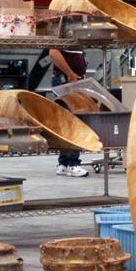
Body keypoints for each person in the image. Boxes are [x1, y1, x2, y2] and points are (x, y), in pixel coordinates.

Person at [49, 46, 88, 177]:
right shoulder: (64, 39)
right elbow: (53, 52)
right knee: (73, 123)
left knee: (66, 123)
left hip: (70, 80)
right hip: (67, 81)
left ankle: (64, 163)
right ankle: (72, 163)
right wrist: (70, 73)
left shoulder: (74, 42)